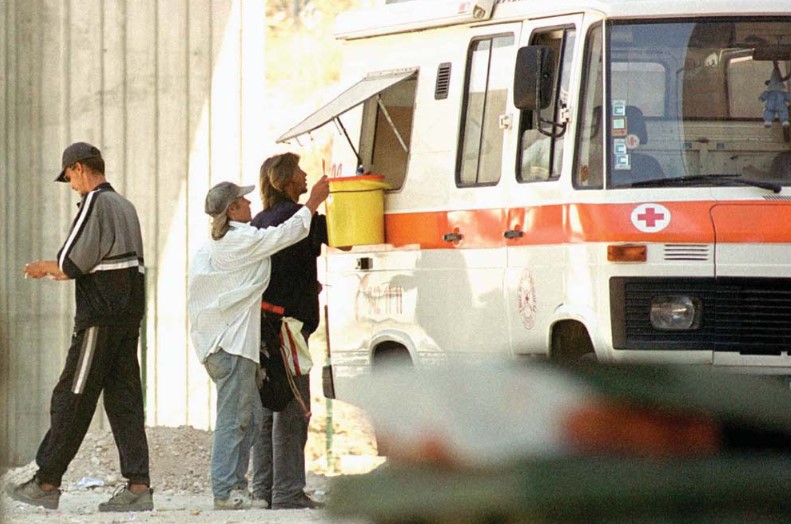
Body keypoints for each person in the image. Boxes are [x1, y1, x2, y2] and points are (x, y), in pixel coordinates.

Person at [6, 142, 153, 512]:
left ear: (79, 168)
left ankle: (46, 481)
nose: (71, 185)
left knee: (71, 396)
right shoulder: (126, 205)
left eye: (69, 176)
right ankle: (138, 486)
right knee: (124, 401)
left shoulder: (96, 202)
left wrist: (44, 267)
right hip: (126, 313)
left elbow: (71, 259)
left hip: (100, 317)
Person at [187, 175, 329, 510]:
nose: (252, 204)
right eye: (244, 201)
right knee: (234, 419)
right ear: (233, 208)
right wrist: (313, 203)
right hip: (230, 345)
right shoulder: (238, 241)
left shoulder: (228, 242)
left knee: (247, 417)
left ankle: (236, 488)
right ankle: (224, 491)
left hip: (230, 344)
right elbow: (282, 236)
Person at [249, 153, 328, 510]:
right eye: (299, 171)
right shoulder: (300, 219)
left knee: (269, 409)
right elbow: (343, 240)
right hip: (288, 329)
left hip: (263, 325)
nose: (306, 174)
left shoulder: (260, 220)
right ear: (284, 181)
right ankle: (288, 492)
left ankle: (263, 491)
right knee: (293, 408)